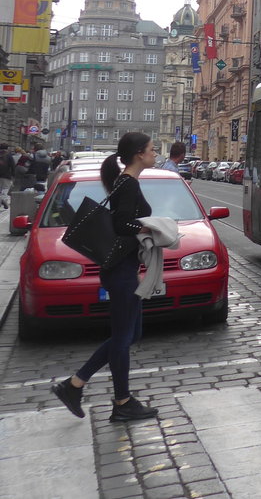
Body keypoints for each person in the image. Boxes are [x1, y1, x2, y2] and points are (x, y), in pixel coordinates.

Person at [50, 132, 161, 422]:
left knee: (130, 334)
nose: (155, 153)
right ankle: (122, 402)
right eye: (152, 149)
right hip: (120, 271)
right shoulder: (127, 183)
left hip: (124, 269)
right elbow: (121, 223)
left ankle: (73, 385)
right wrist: (150, 227)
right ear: (139, 153)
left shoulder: (126, 181)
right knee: (123, 338)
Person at [0, 143, 11, 209]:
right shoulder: (9, 155)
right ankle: (2, 200)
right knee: (5, 189)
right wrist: (13, 175)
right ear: (7, 148)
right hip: (6, 176)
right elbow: (12, 165)